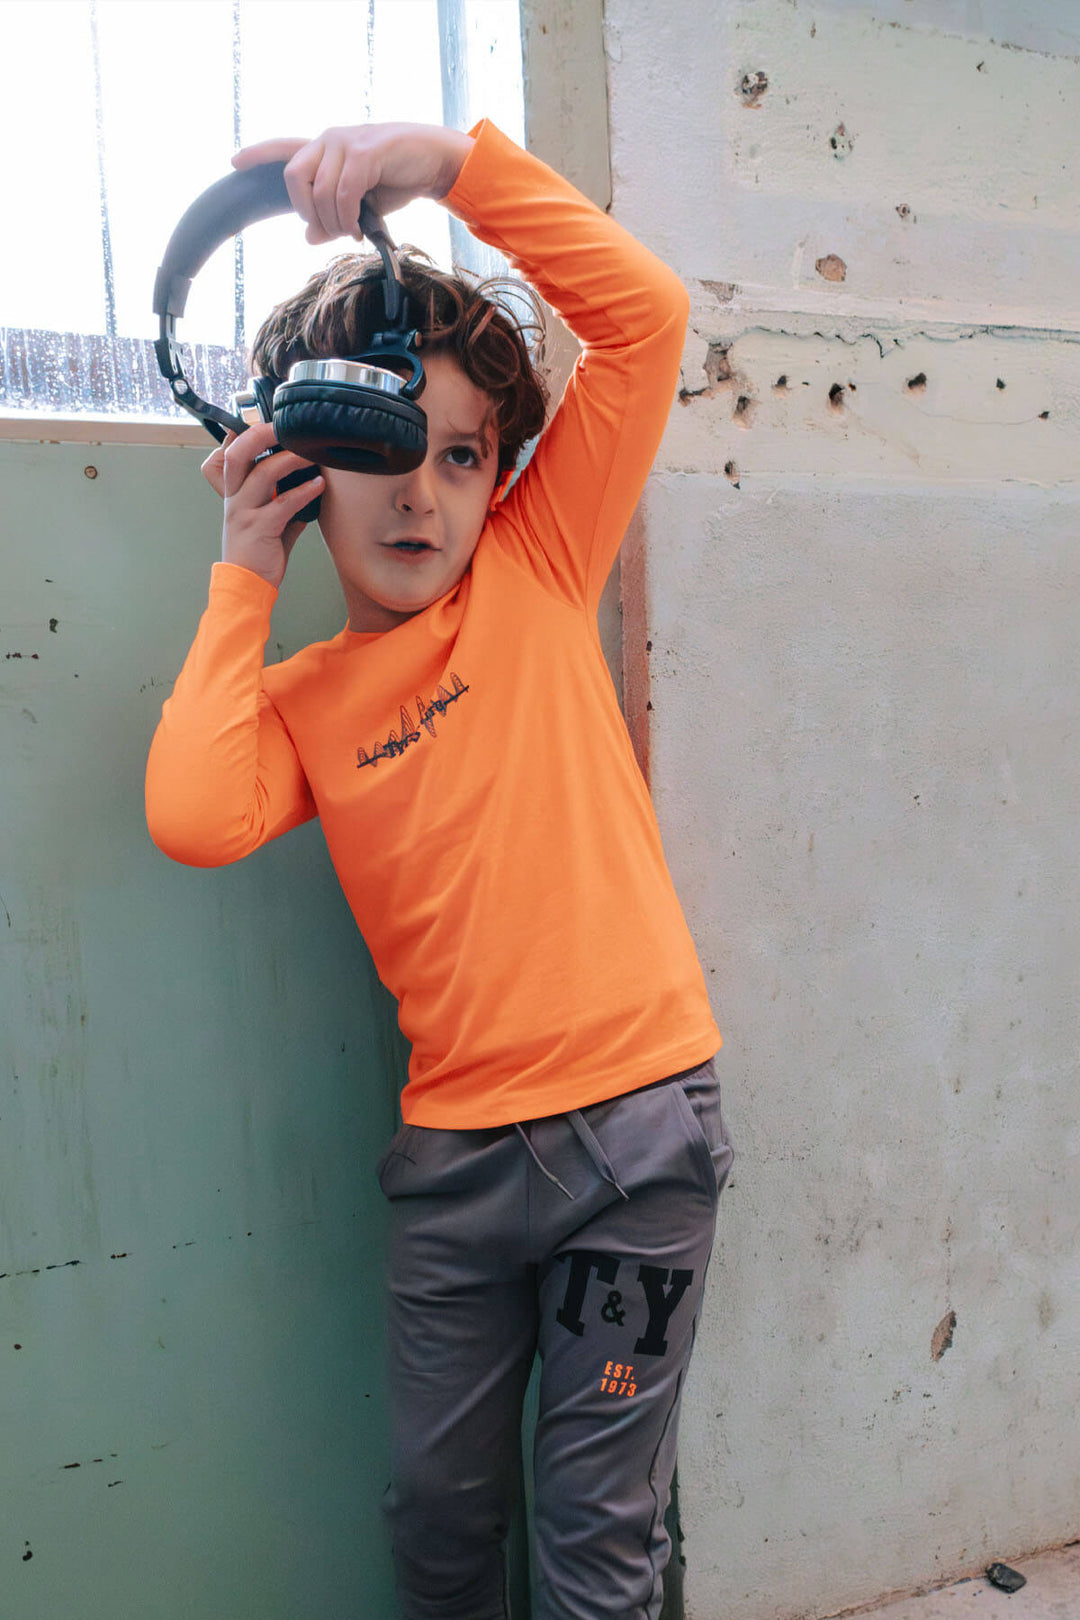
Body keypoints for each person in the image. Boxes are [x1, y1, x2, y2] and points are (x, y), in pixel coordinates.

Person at [146, 116, 733, 1620]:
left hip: (634, 1146)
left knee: (599, 1539)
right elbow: (198, 816)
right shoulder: (300, 703)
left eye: (463, 455)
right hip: (458, 1171)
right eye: (383, 448)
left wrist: (447, 169)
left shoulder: (537, 570)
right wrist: (243, 575)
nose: (424, 496)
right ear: (299, 457)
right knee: (436, 1517)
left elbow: (645, 318)